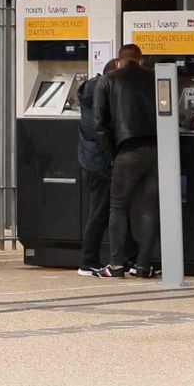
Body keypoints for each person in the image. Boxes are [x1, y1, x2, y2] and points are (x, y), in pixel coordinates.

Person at [91, 38, 162, 277]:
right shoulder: (155, 77)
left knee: (118, 207)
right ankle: (143, 265)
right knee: (150, 209)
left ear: (119, 61)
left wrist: (113, 154)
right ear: (140, 59)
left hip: (125, 151)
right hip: (155, 150)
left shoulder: (107, 80)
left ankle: (117, 264)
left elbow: (99, 124)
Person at [72, 46, 119, 273]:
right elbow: (101, 128)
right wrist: (112, 157)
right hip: (98, 161)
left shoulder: (92, 88)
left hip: (90, 158)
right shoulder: (101, 92)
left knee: (103, 210)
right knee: (100, 211)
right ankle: (88, 262)